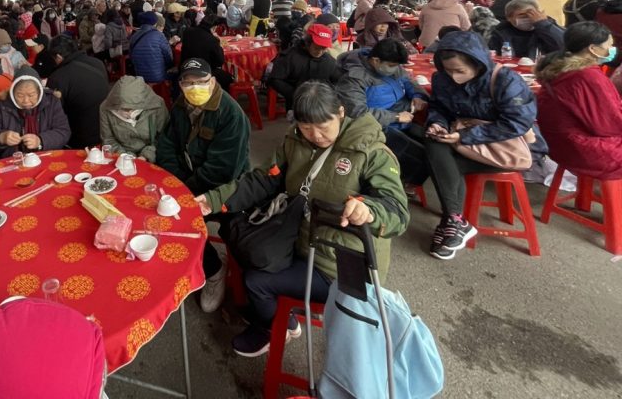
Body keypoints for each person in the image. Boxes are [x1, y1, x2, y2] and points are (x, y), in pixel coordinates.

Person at [197, 81, 408, 357]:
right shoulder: (295, 140)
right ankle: (278, 314)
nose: (316, 135)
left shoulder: (369, 151)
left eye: (324, 126)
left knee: (256, 281)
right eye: (307, 127)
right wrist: (212, 200)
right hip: (301, 240)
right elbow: (264, 179)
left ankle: (275, 327)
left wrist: (369, 210)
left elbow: (397, 211)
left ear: (340, 112)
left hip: (339, 266)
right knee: (238, 235)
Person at [423, 30, 539, 260]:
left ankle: (452, 220)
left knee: (441, 163)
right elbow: (439, 107)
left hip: (505, 150)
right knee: (434, 143)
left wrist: (465, 136)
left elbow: (517, 123)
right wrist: (438, 124)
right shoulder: (442, 79)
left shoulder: (506, 81)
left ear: (478, 64)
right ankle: (455, 220)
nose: (454, 77)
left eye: (460, 71)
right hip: (466, 144)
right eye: (448, 70)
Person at [155, 58, 250, 314]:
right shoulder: (180, 106)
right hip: (188, 181)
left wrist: (184, 192)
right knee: (158, 212)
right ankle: (208, 264)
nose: (195, 87)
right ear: (180, 85)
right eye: (189, 83)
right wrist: (176, 182)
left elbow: (222, 170)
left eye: (202, 82)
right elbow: (166, 146)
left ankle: (214, 271)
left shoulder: (231, 115)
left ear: (213, 81)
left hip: (226, 187)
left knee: (181, 218)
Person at [535, 22, 622, 181]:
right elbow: (608, 125)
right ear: (592, 49)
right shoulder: (588, 76)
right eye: (608, 46)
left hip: (559, 144)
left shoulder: (559, 68)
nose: (612, 50)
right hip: (582, 149)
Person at [337, 39, 430, 185]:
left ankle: (408, 182)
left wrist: (417, 95)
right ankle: (400, 184)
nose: (396, 68)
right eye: (392, 66)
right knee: (420, 157)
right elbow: (357, 112)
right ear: (375, 60)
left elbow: (408, 80)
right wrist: (396, 117)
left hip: (403, 118)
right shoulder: (354, 78)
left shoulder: (390, 65)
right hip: (375, 126)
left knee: (432, 144)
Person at [0, 65, 71, 159]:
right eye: (20, 95)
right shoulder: (2, 106)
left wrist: (40, 141)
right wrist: (1, 138)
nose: (26, 101)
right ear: (12, 93)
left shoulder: (51, 102)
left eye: (31, 95)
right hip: (14, 161)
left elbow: (63, 132)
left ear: (39, 92)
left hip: (46, 158)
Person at [45, 36, 109, 150]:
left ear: (58, 57)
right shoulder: (98, 63)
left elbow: (53, 112)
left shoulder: (58, 77)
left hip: (80, 139)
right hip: (106, 129)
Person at [266, 24, 341, 110]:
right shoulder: (290, 56)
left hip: (323, 105)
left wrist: (328, 94)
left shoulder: (329, 60)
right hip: (296, 105)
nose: (320, 52)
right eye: (316, 48)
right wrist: (295, 94)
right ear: (308, 42)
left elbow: (337, 81)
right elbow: (275, 79)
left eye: (323, 48)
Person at [99, 75, 169, 163]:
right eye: (124, 109)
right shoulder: (105, 108)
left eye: (133, 109)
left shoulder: (157, 105)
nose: (129, 114)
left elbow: (164, 138)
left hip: (152, 153)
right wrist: (125, 156)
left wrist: (146, 156)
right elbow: (108, 140)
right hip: (121, 155)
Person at [488, 0, 565, 59]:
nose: (528, 18)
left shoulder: (547, 27)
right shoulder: (500, 32)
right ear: (509, 18)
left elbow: (564, 46)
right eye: (522, 16)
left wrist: (543, 24)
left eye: (531, 15)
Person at [179, 13, 231, 90]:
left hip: (185, 67)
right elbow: (220, 62)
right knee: (228, 78)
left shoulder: (187, 32)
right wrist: (219, 46)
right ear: (214, 27)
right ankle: (217, 96)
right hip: (203, 71)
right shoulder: (212, 39)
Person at [129, 11, 174, 84]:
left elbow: (131, 57)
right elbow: (168, 57)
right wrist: (170, 67)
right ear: (155, 23)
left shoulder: (134, 36)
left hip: (139, 76)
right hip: (158, 77)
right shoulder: (159, 35)